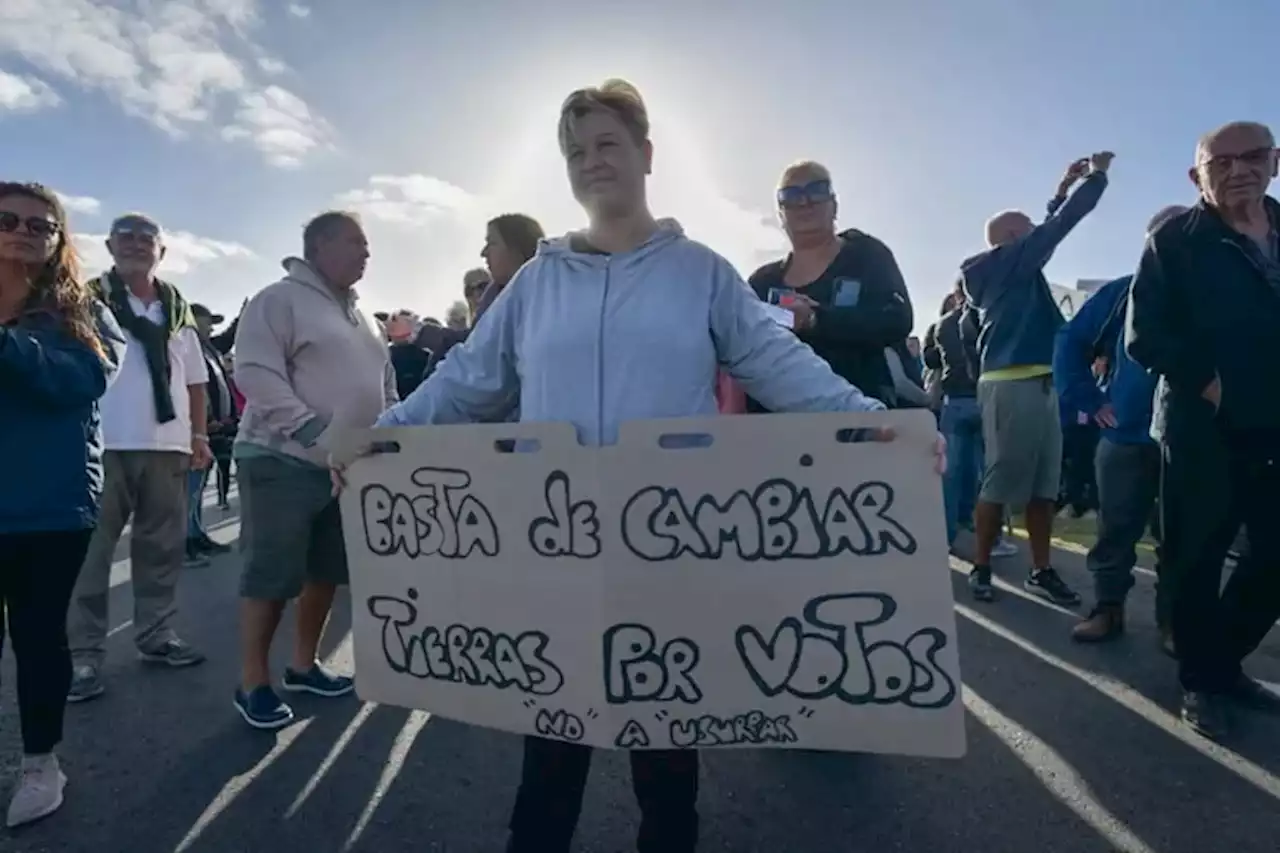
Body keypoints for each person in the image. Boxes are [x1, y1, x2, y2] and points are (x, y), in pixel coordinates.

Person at [348, 78, 942, 853]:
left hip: (667, 554)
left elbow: (779, 364)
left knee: (665, 769)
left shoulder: (700, 271)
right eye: (575, 151)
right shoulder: (537, 281)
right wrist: (381, 437)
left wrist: (879, 427)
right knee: (548, 769)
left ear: (646, 155)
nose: (592, 162)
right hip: (553, 553)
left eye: (607, 144)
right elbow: (467, 382)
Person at [1126, 120, 1280, 738]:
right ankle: (1202, 682)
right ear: (1198, 176)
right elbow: (1145, 337)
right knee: (1197, 553)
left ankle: (1220, 665)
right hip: (1204, 425)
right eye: (1222, 162)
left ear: (1275, 160)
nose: (1239, 169)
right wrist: (1214, 388)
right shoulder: (1175, 239)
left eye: (1254, 156)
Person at [231, 210, 396, 729]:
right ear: (320, 246)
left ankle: (304, 666)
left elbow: (385, 384)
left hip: (346, 467)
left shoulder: (365, 317)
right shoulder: (277, 300)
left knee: (326, 572)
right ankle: (253, 681)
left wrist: (389, 430)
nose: (367, 253)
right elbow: (256, 373)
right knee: (273, 575)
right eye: (357, 243)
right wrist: (313, 433)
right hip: (282, 460)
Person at [0, 182, 127, 827]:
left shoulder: (83, 313)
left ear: (58, 240)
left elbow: (81, 381)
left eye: (40, 225)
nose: (23, 230)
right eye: (6, 219)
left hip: (48, 508)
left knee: (37, 638)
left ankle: (41, 763)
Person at [68, 213, 211, 703]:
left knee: (162, 548)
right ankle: (82, 657)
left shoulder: (176, 307)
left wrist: (198, 435)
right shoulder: (81, 298)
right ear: (109, 244)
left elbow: (194, 380)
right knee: (92, 554)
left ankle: (156, 635)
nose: (135, 244)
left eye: (146, 238)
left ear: (162, 252)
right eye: (125, 236)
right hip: (102, 442)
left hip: (167, 444)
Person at [960, 152, 1113, 604]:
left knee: (1044, 487)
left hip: (1041, 385)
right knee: (1001, 480)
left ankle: (1040, 570)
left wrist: (1060, 191)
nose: (1037, 238)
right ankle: (981, 566)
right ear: (1011, 238)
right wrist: (1096, 178)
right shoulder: (997, 265)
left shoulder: (1014, 267)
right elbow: (1057, 227)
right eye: (1027, 231)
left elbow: (1046, 228)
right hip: (1011, 382)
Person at [1054, 205, 1187, 647]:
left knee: (1184, 536)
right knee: (1114, 530)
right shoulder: (1120, 294)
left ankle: (1175, 623)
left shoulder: (1215, 291)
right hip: (1125, 433)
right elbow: (1070, 341)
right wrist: (1089, 401)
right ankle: (1107, 610)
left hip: (1194, 437)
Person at [746, 160, 913, 409]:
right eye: (791, 195)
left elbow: (898, 320)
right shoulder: (761, 281)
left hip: (860, 417)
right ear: (780, 213)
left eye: (817, 190)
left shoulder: (866, 255)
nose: (805, 202)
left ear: (834, 205)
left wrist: (817, 320)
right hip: (776, 423)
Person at [923, 284, 1018, 559]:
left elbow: (930, 359)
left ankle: (945, 538)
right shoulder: (989, 318)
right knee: (985, 472)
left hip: (955, 400)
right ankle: (990, 537)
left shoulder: (942, 325)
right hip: (985, 395)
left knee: (950, 474)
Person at [185, 303, 236, 565]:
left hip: (212, 431)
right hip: (196, 433)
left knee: (198, 489)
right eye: (207, 321)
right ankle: (184, 544)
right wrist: (202, 423)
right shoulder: (185, 349)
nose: (211, 327)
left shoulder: (209, 349)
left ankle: (196, 535)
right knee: (188, 491)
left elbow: (228, 338)